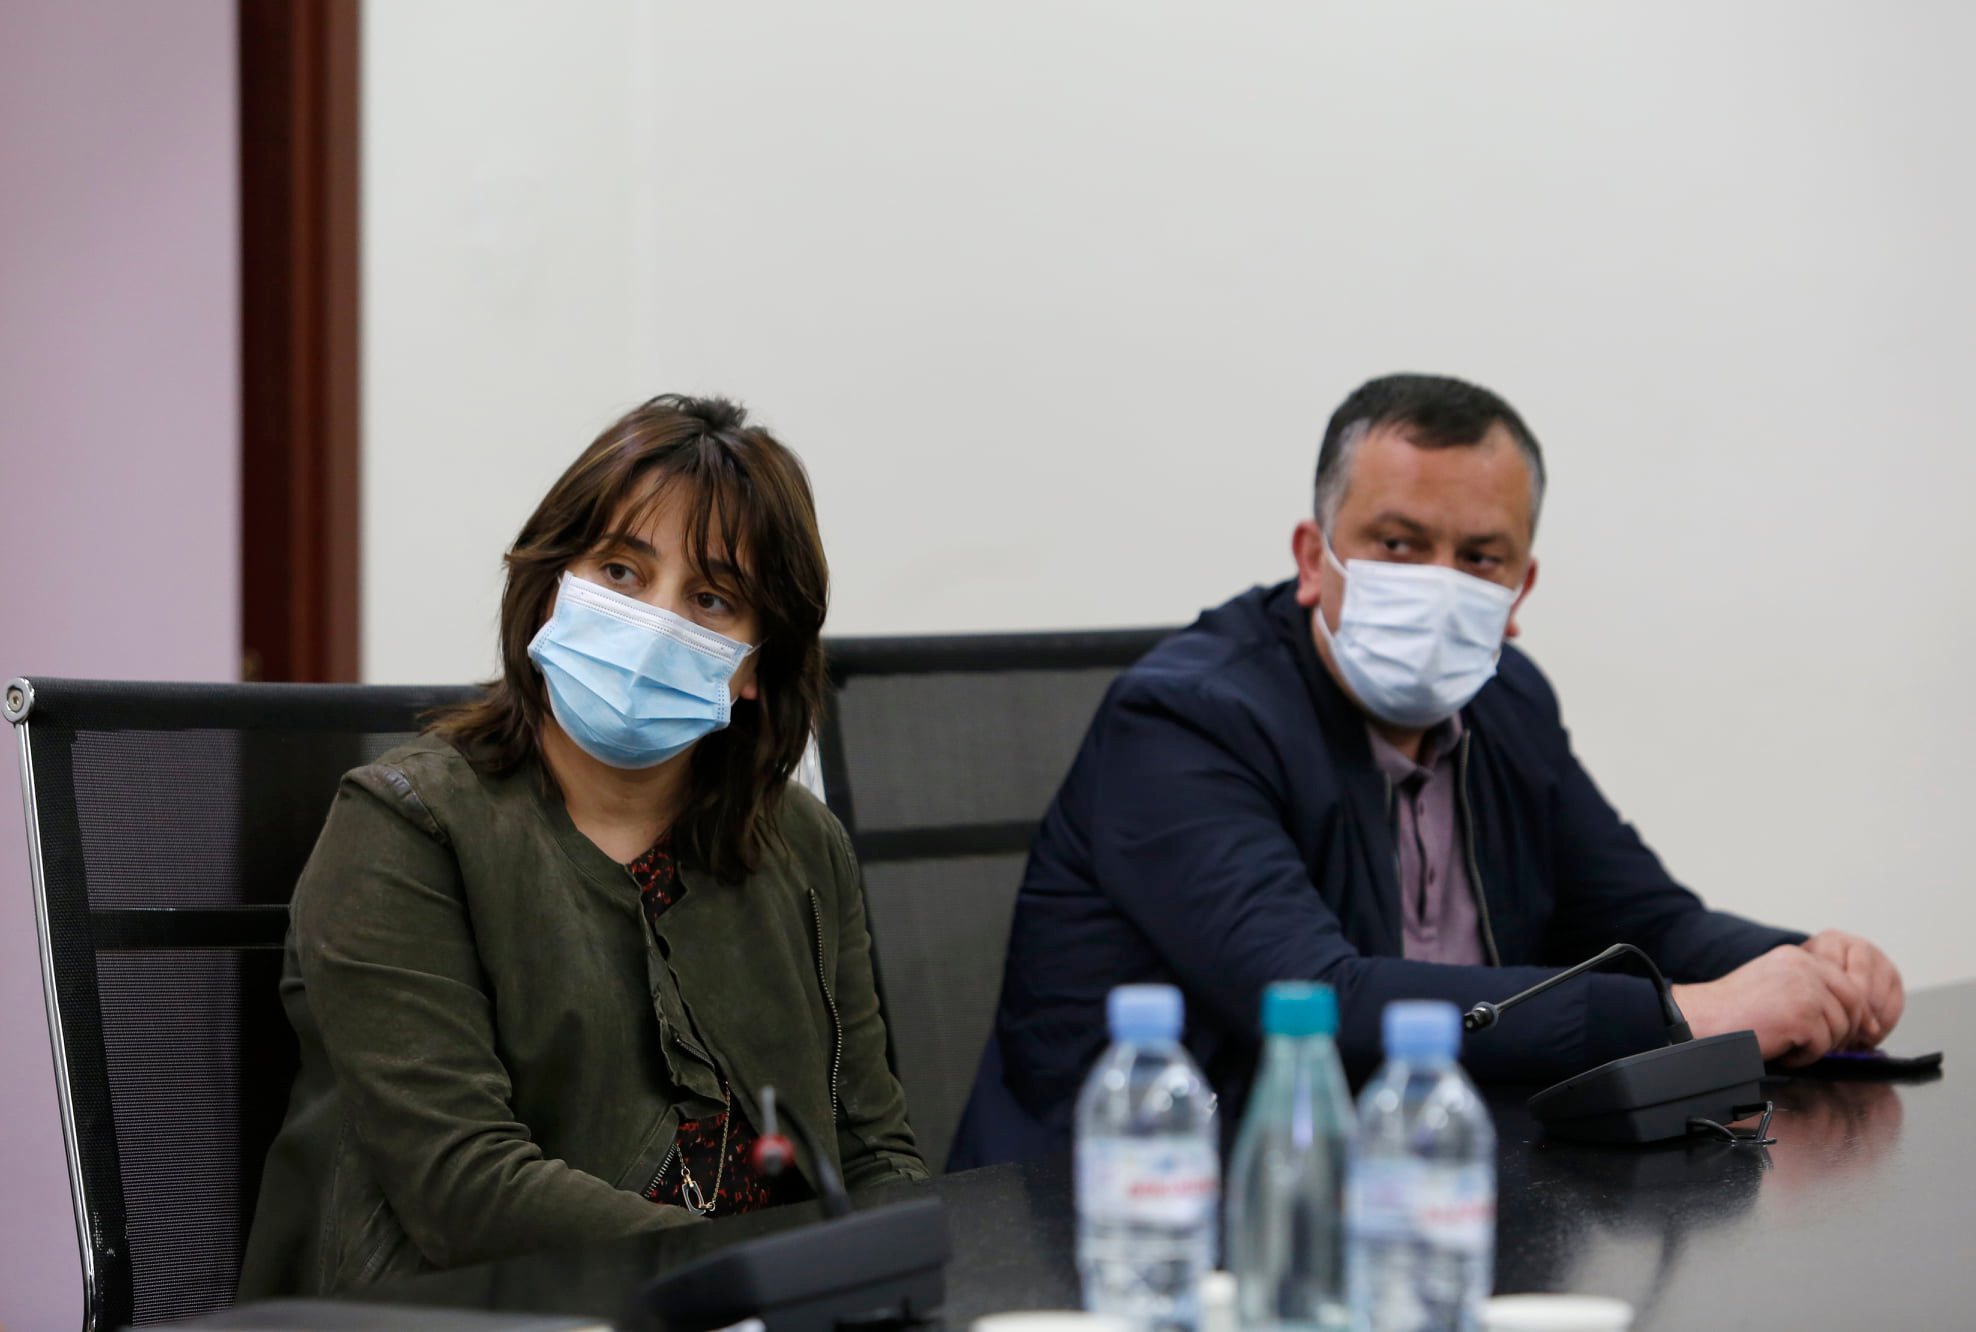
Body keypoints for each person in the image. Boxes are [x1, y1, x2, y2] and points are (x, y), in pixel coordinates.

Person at [949, 372, 1903, 1167]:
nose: (1440, 585)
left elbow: (1647, 922)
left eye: (1480, 558)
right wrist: (1682, 1015)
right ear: (1314, 558)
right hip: (1135, 1207)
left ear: (1520, 590)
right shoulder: (1184, 722)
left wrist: (1808, 968)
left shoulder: (1507, 701)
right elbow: (1317, 999)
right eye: (1399, 544)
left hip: (1428, 1177)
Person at [241, 395, 923, 1296]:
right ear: (552, 584)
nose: (654, 621)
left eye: (711, 600)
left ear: (757, 666)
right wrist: (755, 1275)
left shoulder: (801, 845)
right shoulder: (406, 826)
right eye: (621, 570)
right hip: (477, 1312)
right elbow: (465, 1189)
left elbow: (873, 1150)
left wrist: (893, 1278)